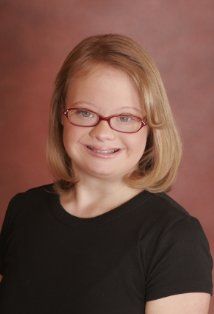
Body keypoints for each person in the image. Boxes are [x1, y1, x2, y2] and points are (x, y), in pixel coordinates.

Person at [0, 34, 213, 314]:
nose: (103, 133)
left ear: (151, 128)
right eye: (85, 113)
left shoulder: (175, 238)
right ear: (61, 116)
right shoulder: (23, 211)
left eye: (125, 118)